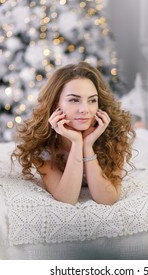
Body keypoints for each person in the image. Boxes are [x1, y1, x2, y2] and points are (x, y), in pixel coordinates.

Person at [11, 62, 135, 205]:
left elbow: (107, 199)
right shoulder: (42, 146)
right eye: (74, 100)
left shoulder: (113, 136)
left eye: (92, 100)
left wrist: (88, 146)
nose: (85, 109)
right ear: (56, 104)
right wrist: (77, 143)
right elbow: (67, 199)